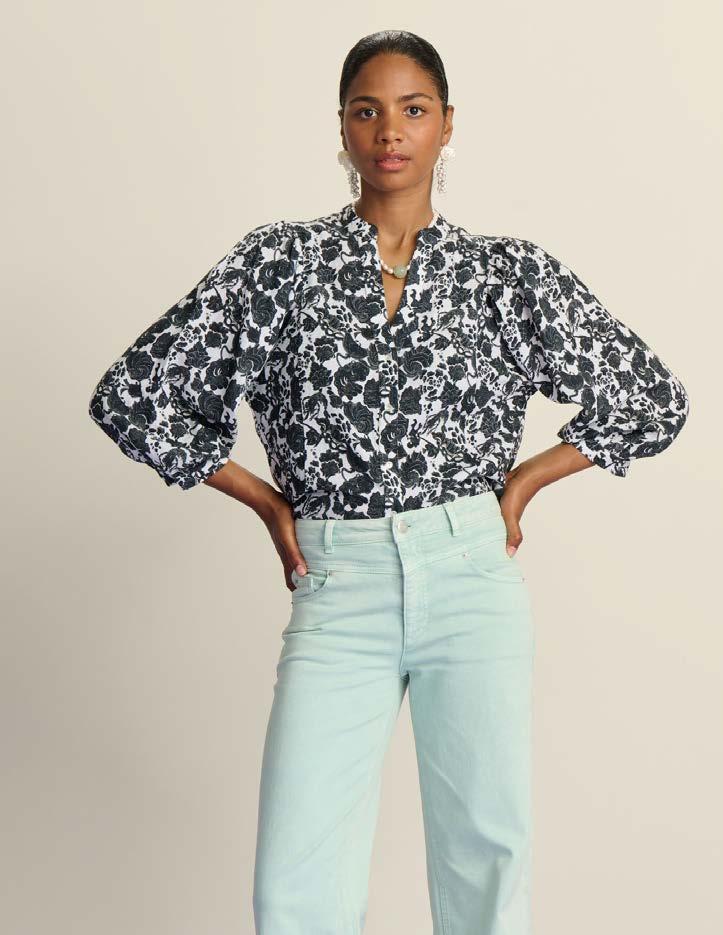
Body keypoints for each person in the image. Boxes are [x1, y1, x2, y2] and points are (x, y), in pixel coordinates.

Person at [87, 28, 689, 935]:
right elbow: (132, 396)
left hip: (470, 578)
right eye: (367, 110)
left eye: (413, 109)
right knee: (297, 881)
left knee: (485, 862)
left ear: (447, 124)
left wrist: (524, 481)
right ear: (341, 126)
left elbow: (651, 398)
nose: (390, 130)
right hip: (338, 582)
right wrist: (264, 500)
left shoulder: (504, 273)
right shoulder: (277, 264)